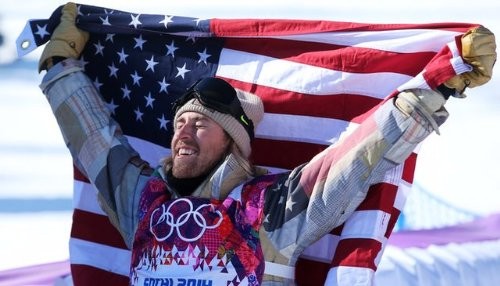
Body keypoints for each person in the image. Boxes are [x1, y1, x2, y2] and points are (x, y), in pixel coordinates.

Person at [38, 3, 496, 286]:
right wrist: (59, 68)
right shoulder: (143, 202)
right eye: (180, 123)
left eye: (201, 125)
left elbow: (356, 159)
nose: (183, 133)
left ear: (234, 142)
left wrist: (436, 86)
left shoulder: (267, 210)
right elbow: (95, 140)